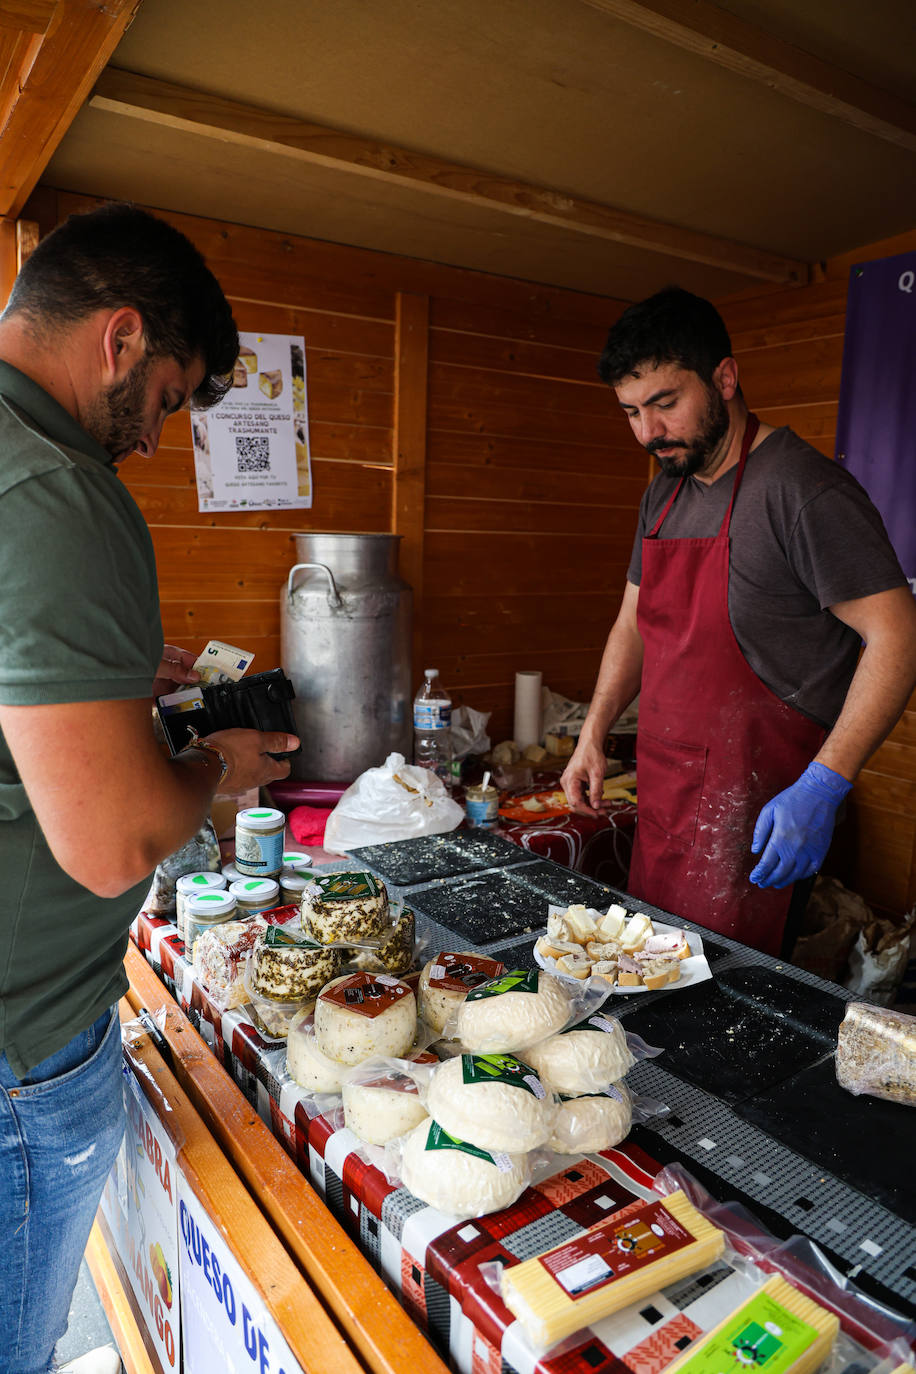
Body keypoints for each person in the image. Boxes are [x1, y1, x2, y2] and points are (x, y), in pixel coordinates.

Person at [0, 204, 298, 1374]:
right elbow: (117, 842)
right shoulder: (56, 490)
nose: (158, 437)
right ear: (120, 337)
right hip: (20, 1055)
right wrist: (211, 770)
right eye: (169, 399)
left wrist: (107, 681)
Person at [562, 287, 916, 957]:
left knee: (723, 1012)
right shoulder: (662, 492)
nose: (648, 433)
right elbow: (632, 623)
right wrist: (593, 733)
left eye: (666, 404)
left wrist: (825, 782)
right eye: (632, 412)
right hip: (668, 796)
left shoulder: (800, 490)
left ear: (724, 378)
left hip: (756, 813)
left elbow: (898, 633)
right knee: (648, 986)